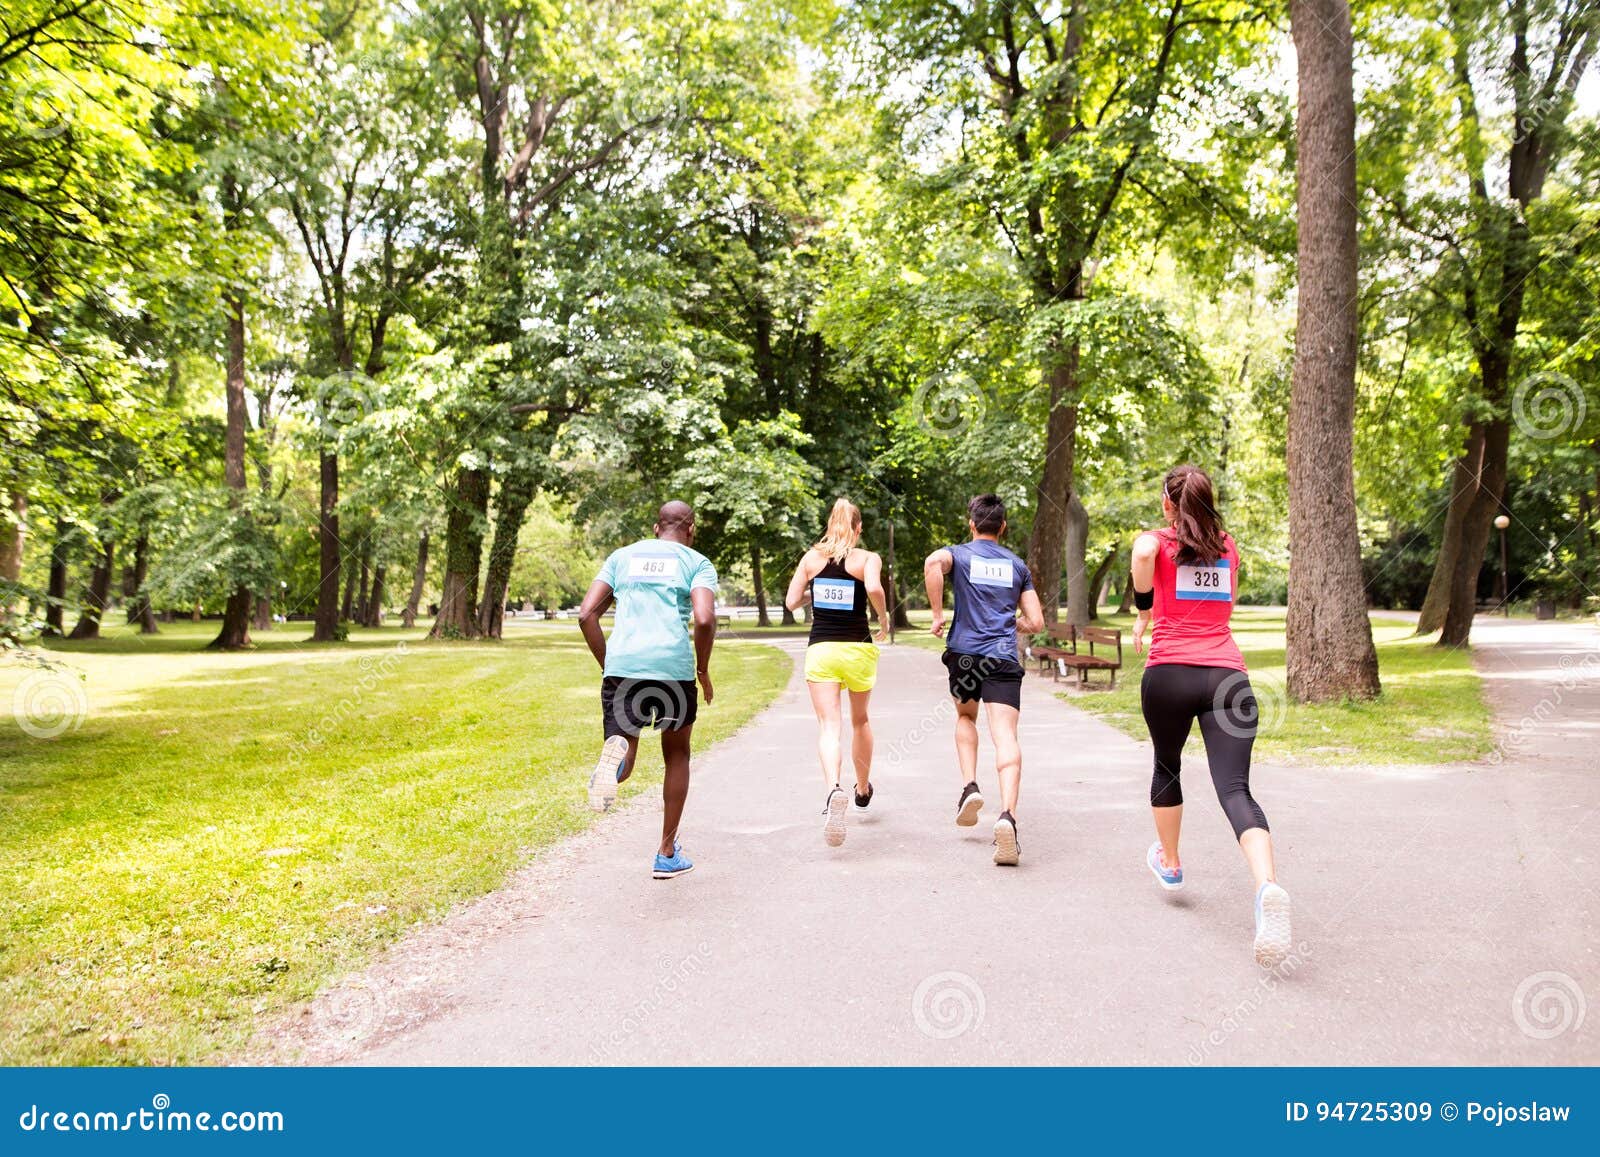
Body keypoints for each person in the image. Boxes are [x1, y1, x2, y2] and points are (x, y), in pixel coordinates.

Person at [1130, 464, 1291, 967]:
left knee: (1167, 766)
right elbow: (1230, 606)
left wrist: (1143, 612)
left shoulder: (1159, 540)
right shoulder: (1227, 547)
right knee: (1237, 790)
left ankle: (1172, 863)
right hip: (1228, 678)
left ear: (1167, 503)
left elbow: (1140, 551)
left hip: (1170, 673)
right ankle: (1267, 889)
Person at [576, 501, 717, 880]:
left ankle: (615, 763)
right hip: (673, 671)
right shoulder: (696, 562)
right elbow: (704, 618)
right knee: (677, 755)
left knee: (626, 752)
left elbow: (587, 613)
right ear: (690, 529)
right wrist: (702, 669)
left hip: (625, 670)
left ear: (657, 528)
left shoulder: (622, 557)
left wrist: (611, 664)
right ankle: (666, 852)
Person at [923, 494, 1044, 866]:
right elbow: (1036, 622)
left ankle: (970, 786)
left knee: (964, 717)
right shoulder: (1016, 565)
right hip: (1003, 656)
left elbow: (931, 563)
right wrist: (1015, 623)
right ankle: (1007, 815)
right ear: (1002, 527)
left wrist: (938, 614)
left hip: (963, 653)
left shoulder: (957, 555)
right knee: (1005, 735)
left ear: (971, 524)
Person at [784, 498, 889, 847]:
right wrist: (884, 619)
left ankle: (833, 790)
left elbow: (791, 601)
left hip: (822, 650)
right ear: (858, 529)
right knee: (860, 721)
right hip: (858, 648)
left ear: (830, 525)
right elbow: (873, 588)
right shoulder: (866, 558)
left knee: (830, 726)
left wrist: (813, 594)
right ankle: (861, 789)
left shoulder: (811, 558)